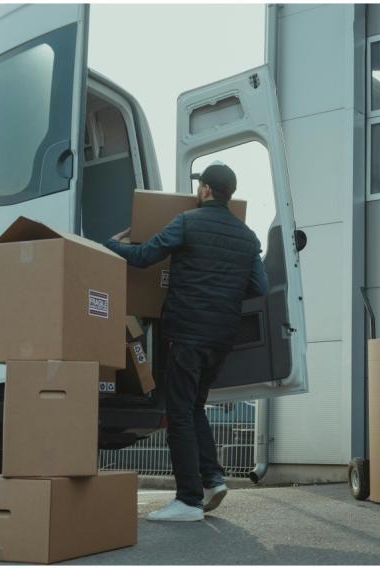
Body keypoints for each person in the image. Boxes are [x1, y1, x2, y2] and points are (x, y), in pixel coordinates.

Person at [104, 162, 268, 522]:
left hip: (185, 334)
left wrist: (111, 246)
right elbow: (260, 287)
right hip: (220, 339)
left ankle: (189, 500)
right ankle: (211, 478)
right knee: (194, 407)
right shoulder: (247, 236)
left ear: (206, 190)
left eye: (200, 186)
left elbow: (146, 256)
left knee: (178, 412)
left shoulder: (187, 222)